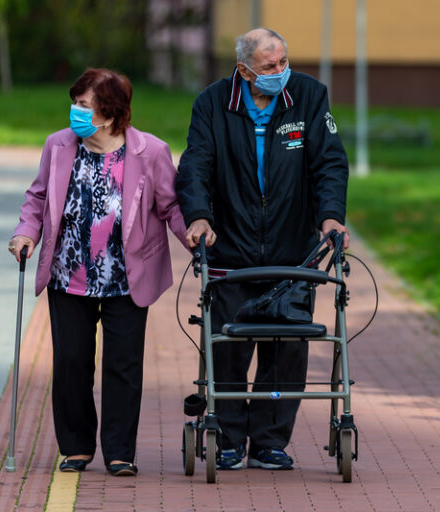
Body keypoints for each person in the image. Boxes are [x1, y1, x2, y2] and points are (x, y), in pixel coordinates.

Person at [175, 28, 350, 471]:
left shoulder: (308, 96)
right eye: (270, 66)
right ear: (244, 70)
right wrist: (198, 215)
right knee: (230, 345)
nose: (280, 72)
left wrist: (330, 216)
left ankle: (271, 440)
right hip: (231, 247)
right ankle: (229, 438)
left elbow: (330, 162)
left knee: (287, 346)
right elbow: (196, 164)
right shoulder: (212, 104)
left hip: (293, 249)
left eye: (284, 62)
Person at [9, 68, 187, 476]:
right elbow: (37, 197)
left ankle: (120, 451)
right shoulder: (58, 145)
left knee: (123, 366)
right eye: (74, 103)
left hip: (128, 276)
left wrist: (192, 236)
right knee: (72, 362)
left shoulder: (151, 152)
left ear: (109, 114)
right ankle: (76, 446)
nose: (75, 112)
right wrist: (25, 234)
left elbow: (171, 206)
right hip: (68, 273)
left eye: (84, 105)